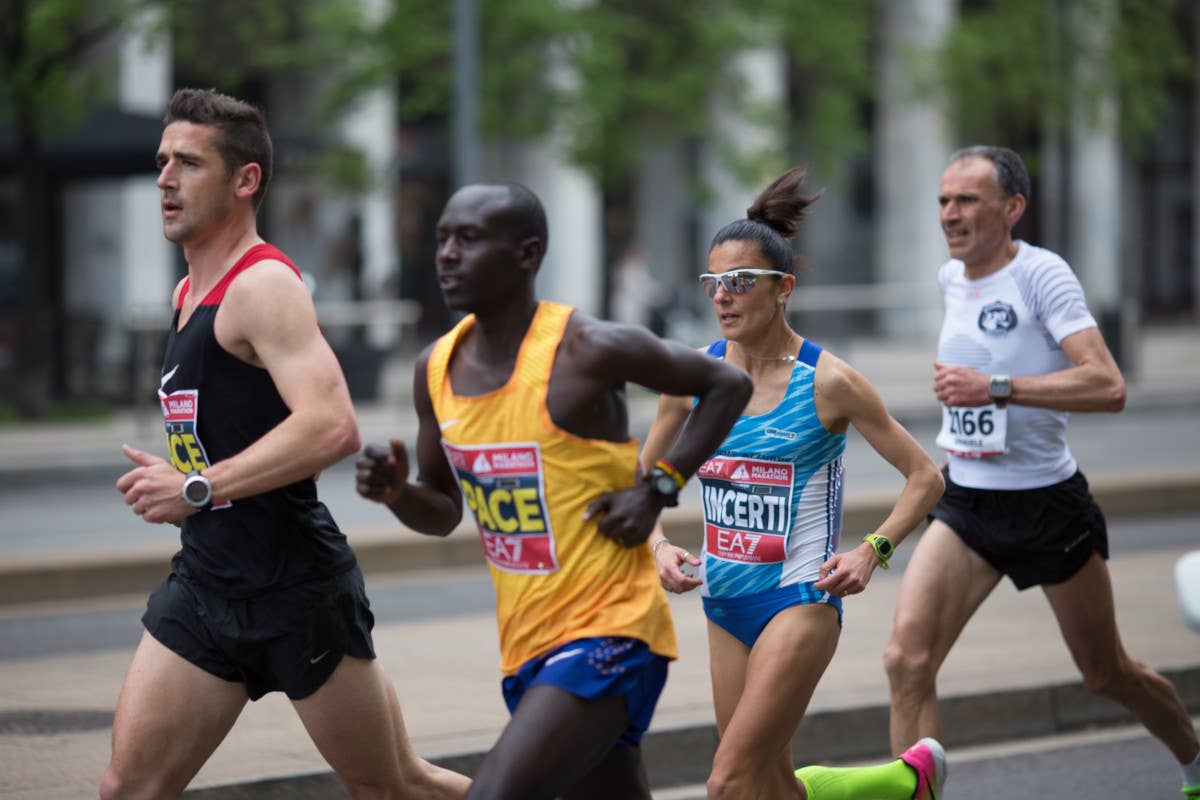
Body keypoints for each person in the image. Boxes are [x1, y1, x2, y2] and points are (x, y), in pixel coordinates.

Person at [104, 88, 469, 799]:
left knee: (395, 785)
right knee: (129, 788)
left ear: (246, 181)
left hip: (294, 592)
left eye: (188, 163)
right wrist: (186, 475)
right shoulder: (189, 295)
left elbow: (331, 424)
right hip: (208, 584)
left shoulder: (264, 284)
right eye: (161, 162)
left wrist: (200, 487)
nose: (165, 179)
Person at [355, 181, 753, 800]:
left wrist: (657, 488)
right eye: (441, 240)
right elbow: (440, 512)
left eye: (469, 239)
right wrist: (395, 492)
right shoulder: (433, 368)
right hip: (526, 646)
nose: (447, 255)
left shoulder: (587, 348)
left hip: (612, 634)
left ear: (527, 254)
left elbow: (726, 384)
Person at [883, 145, 1200, 798]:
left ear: (1012, 208)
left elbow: (1108, 386)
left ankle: (1195, 759)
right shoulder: (951, 279)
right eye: (943, 200)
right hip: (968, 502)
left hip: (1048, 505)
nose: (950, 214)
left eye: (967, 200)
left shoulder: (1041, 275)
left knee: (1106, 673)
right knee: (906, 660)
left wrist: (996, 387)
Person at [641, 167, 947, 800]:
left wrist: (873, 549)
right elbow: (642, 482)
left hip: (800, 599)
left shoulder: (829, 382)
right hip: (723, 602)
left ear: (783, 288)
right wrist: (657, 545)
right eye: (714, 283)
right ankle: (902, 785)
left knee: (726, 782)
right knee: (766, 786)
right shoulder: (691, 378)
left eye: (740, 282)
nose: (723, 297)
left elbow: (925, 477)